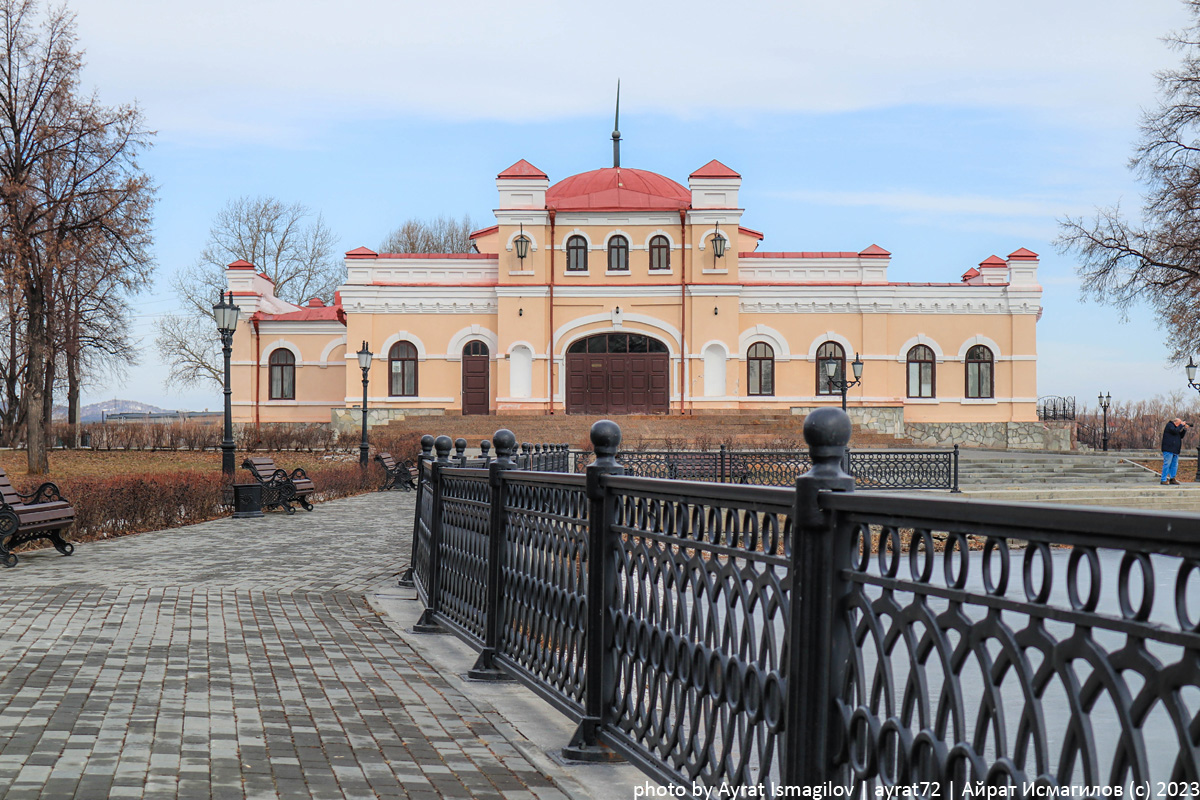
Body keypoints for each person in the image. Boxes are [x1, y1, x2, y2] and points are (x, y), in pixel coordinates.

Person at [1161, 417, 1190, 485]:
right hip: (1168, 449)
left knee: (1174, 465)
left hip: (1175, 450)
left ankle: (1172, 478)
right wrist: (1181, 425)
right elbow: (1175, 431)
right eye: (1179, 423)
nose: (1180, 425)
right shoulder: (1169, 426)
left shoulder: (1177, 428)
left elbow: (1180, 436)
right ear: (1175, 422)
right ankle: (1163, 479)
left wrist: (1185, 429)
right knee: (1167, 464)